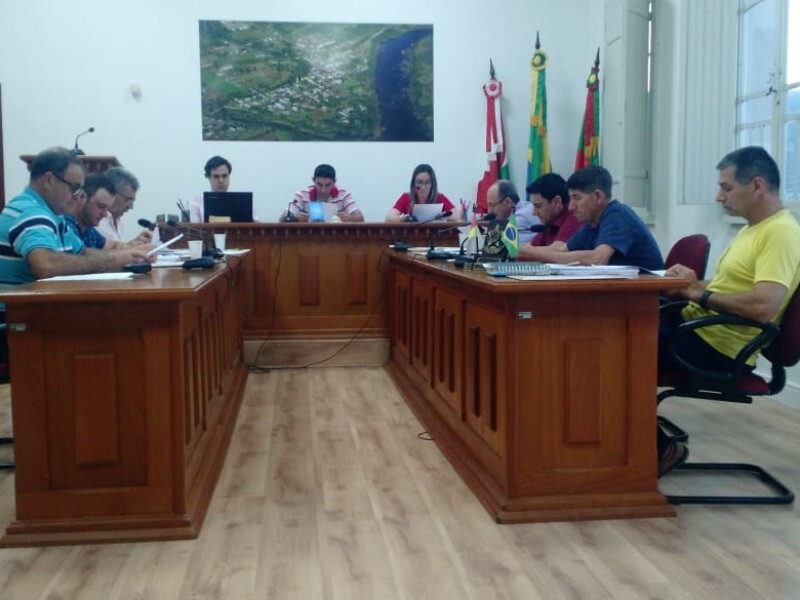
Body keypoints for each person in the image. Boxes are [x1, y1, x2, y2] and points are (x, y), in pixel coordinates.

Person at [657, 146, 800, 476]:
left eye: (726, 187)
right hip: (700, 328)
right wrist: (693, 283)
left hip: (720, 347)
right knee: (617, 328)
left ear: (757, 185)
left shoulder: (781, 233)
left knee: (615, 349)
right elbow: (732, 286)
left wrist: (697, 293)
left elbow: (762, 306)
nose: (719, 197)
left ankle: (659, 450)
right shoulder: (753, 228)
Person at [0, 147, 151, 284]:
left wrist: (127, 255)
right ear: (49, 180)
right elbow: (45, 265)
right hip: (16, 306)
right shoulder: (30, 212)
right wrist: (115, 260)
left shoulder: (54, 216)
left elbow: (82, 252)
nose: (77, 196)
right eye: (74, 188)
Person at [518, 165, 664, 270]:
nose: (571, 207)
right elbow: (563, 250)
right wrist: (525, 250)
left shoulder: (617, 214)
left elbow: (598, 258)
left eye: (577, 198)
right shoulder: (592, 222)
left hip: (646, 297)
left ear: (598, 196)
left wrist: (536, 254)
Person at [66, 173, 151, 249]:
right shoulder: (66, 225)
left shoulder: (88, 230)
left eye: (107, 208)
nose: (105, 214)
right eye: (101, 206)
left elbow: (112, 246)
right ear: (81, 198)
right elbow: (82, 256)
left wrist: (136, 248)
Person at [517, 173, 581, 256]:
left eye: (538, 206)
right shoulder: (550, 222)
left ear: (557, 202)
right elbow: (531, 247)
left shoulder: (575, 216)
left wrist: (519, 250)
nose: (534, 213)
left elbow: (559, 250)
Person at [280, 164, 364, 222]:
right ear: (313, 180)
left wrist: (351, 218)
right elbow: (282, 219)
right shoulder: (302, 195)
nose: (323, 190)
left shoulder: (344, 195)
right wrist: (294, 218)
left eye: (328, 185)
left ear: (334, 182)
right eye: (319, 184)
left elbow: (360, 217)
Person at [385, 164, 460, 223]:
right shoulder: (406, 197)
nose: (423, 187)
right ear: (413, 184)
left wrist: (443, 216)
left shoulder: (440, 198)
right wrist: (405, 218)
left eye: (427, 182)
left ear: (432, 184)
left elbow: (457, 216)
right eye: (419, 182)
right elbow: (389, 217)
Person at [96, 167, 149, 244]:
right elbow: (95, 250)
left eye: (132, 201)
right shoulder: (96, 221)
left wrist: (135, 242)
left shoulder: (118, 221)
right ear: (112, 193)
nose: (131, 207)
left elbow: (115, 248)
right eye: (128, 200)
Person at [481, 179, 519, 260]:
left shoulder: (521, 217)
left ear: (507, 202)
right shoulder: (508, 217)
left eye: (492, 205)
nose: (489, 211)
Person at [189, 155, 232, 223]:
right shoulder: (196, 203)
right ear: (208, 177)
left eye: (224, 176)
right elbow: (194, 228)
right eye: (216, 176)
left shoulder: (242, 203)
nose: (221, 180)